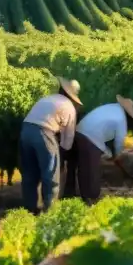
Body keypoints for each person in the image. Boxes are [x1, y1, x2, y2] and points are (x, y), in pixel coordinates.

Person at [20, 76, 82, 212]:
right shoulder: (69, 107)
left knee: (29, 174)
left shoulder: (47, 99)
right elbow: (68, 137)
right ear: (72, 96)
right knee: (51, 174)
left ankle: (30, 210)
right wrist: (63, 154)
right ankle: (50, 211)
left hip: (25, 131)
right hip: (44, 133)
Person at [65, 95, 133, 201]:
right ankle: (91, 197)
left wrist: (108, 152)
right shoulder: (121, 119)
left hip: (79, 132)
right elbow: (119, 142)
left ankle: (77, 195)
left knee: (83, 166)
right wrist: (117, 155)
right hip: (91, 137)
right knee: (92, 169)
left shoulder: (110, 107)